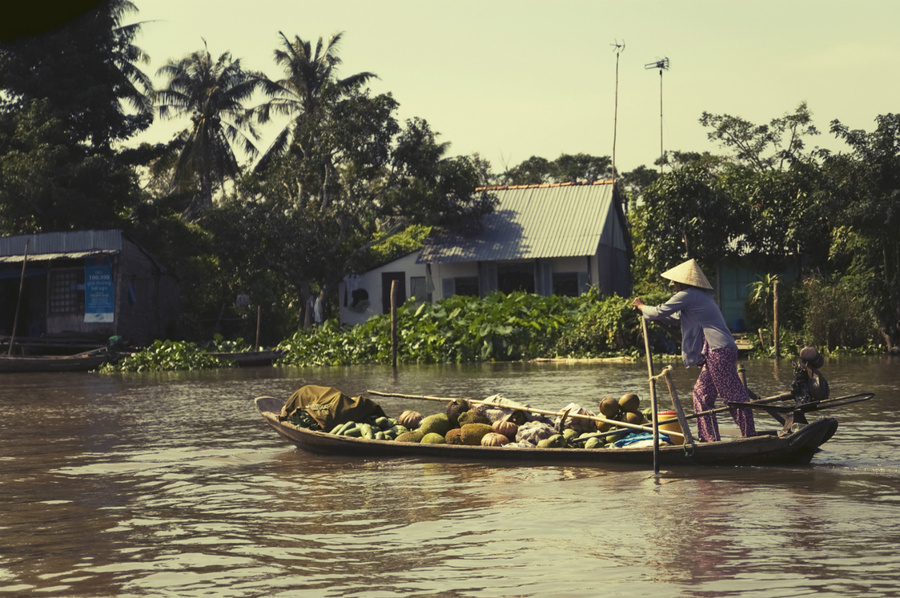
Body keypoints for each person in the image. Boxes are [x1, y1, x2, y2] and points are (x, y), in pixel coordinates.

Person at [631, 258, 755, 442]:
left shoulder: (688, 295)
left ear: (682, 283)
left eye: (674, 284)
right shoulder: (700, 296)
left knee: (733, 397)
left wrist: (642, 306)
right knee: (700, 394)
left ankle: (750, 438)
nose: (673, 288)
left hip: (718, 350)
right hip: (719, 350)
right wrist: (647, 312)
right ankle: (709, 439)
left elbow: (659, 311)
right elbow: (673, 317)